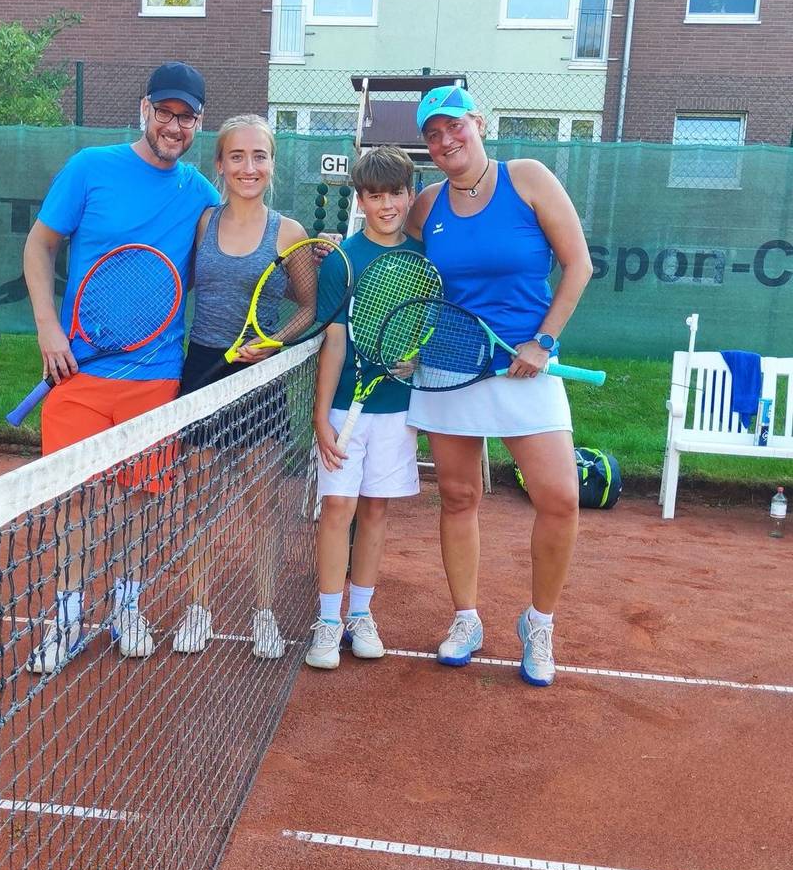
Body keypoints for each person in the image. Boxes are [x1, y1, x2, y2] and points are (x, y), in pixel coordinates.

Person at [22, 60, 219, 673]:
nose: (174, 126)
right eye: (165, 112)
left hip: (156, 377)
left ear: (199, 124)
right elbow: (39, 245)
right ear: (144, 108)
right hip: (77, 375)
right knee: (75, 504)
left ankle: (126, 607)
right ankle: (68, 617)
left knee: (136, 501)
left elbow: (243, 241)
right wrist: (50, 328)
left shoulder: (200, 194)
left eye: (186, 118)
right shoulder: (90, 168)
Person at [405, 84, 593, 686]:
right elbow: (404, 274)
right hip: (450, 367)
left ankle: (539, 623)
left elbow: (578, 263)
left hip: (524, 365)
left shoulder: (529, 177)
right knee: (458, 497)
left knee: (560, 498)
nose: (445, 141)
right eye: (432, 135)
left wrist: (546, 341)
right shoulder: (426, 204)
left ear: (477, 123)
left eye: (453, 126)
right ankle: (467, 618)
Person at [170, 112, 310, 660]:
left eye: (259, 156)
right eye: (237, 157)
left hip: (259, 381)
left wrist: (273, 342)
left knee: (263, 508)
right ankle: (197, 610)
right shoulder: (203, 224)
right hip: (202, 371)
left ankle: (265, 615)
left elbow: (310, 306)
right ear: (220, 165)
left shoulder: (290, 232)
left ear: (271, 164)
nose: (248, 167)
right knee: (197, 501)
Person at [305, 145, 423, 670]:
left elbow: (429, 325)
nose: (387, 205)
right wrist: (319, 416)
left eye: (396, 193)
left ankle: (360, 614)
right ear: (361, 199)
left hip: (397, 410)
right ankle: (328, 622)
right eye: (375, 196)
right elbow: (333, 341)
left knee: (375, 509)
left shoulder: (423, 259)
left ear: (409, 194)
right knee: (337, 508)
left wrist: (414, 361)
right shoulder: (344, 261)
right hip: (343, 412)